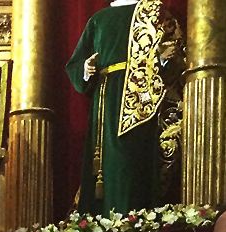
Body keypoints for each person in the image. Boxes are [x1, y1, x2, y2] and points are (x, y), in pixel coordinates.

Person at [65, 0, 184, 214]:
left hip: (141, 99)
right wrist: (86, 68)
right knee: (105, 165)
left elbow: (174, 56)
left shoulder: (155, 12)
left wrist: (161, 59)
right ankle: (102, 222)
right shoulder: (98, 19)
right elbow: (77, 62)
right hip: (106, 98)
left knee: (131, 159)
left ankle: (135, 218)